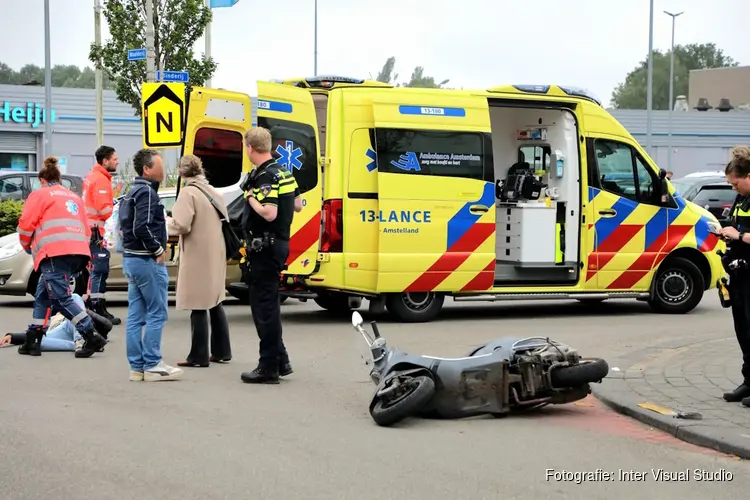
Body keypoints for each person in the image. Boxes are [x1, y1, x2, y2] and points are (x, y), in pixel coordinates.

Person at [15, 156, 108, 358]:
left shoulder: (39, 195)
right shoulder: (73, 197)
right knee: (43, 294)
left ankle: (90, 334)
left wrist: (26, 246)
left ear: (42, 179)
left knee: (61, 298)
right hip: (78, 253)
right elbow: (86, 228)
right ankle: (34, 338)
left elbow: (25, 225)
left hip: (54, 253)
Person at [240, 127, 303, 384]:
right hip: (278, 244)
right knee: (269, 306)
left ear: (250, 148)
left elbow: (269, 213)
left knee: (264, 309)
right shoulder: (283, 171)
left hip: (265, 248)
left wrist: (251, 197)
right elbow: (298, 205)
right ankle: (281, 360)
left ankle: (268, 368)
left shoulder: (266, 176)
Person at [119, 148, 182, 382]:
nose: (164, 169)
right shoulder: (147, 192)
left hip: (131, 259)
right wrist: (158, 249)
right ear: (147, 169)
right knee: (157, 312)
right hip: (146, 260)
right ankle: (153, 364)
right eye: (159, 165)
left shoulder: (131, 191)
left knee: (136, 315)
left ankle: (137, 367)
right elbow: (141, 226)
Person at [167, 155, 232, 367]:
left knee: (198, 303)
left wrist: (165, 224)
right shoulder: (213, 191)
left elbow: (182, 225)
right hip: (216, 250)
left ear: (181, 172)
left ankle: (198, 356)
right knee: (215, 300)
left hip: (198, 253)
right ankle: (222, 351)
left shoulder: (188, 193)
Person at [719, 146, 750, 406]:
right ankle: (748, 382)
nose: (733, 188)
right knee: (743, 329)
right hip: (739, 273)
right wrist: (723, 232)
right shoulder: (741, 200)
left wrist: (738, 236)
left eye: (736, 183)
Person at [1, 293, 113, 357]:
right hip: (61, 330)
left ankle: (81, 340)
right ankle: (82, 344)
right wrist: (12, 337)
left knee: (75, 297)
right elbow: (34, 332)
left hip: (72, 323)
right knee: (37, 342)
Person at [83, 145, 121, 325]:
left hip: (91, 231)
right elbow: (105, 210)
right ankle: (96, 308)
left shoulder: (93, 177)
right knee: (99, 270)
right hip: (96, 232)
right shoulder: (101, 180)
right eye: (114, 159)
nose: (117, 161)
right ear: (105, 161)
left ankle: (96, 305)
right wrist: (118, 211)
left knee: (97, 270)